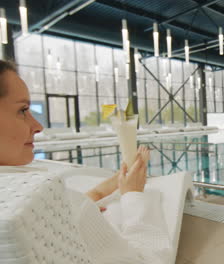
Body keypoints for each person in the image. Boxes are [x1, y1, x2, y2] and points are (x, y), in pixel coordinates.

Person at [0, 60, 171, 263]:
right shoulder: (58, 205)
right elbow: (148, 259)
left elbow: (58, 213)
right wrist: (133, 194)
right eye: (22, 110)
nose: (38, 126)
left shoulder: (21, 200)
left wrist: (108, 187)